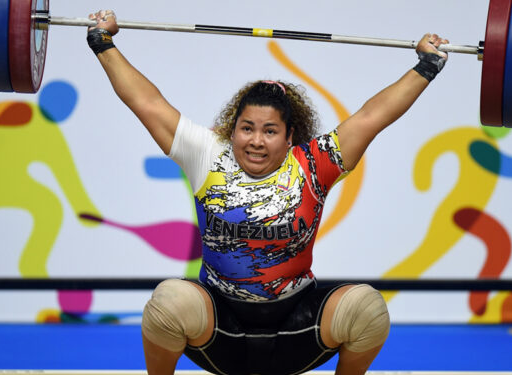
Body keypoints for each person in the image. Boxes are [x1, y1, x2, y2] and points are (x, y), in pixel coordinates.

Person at [86, 9, 448, 375]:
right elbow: (146, 102)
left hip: (297, 326)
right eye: (247, 128)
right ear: (233, 129)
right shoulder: (208, 156)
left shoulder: (313, 164)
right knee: (168, 302)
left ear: (289, 136)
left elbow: (374, 116)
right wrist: (103, 43)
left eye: (270, 131)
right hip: (218, 327)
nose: (256, 141)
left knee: (367, 309)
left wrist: (427, 66)